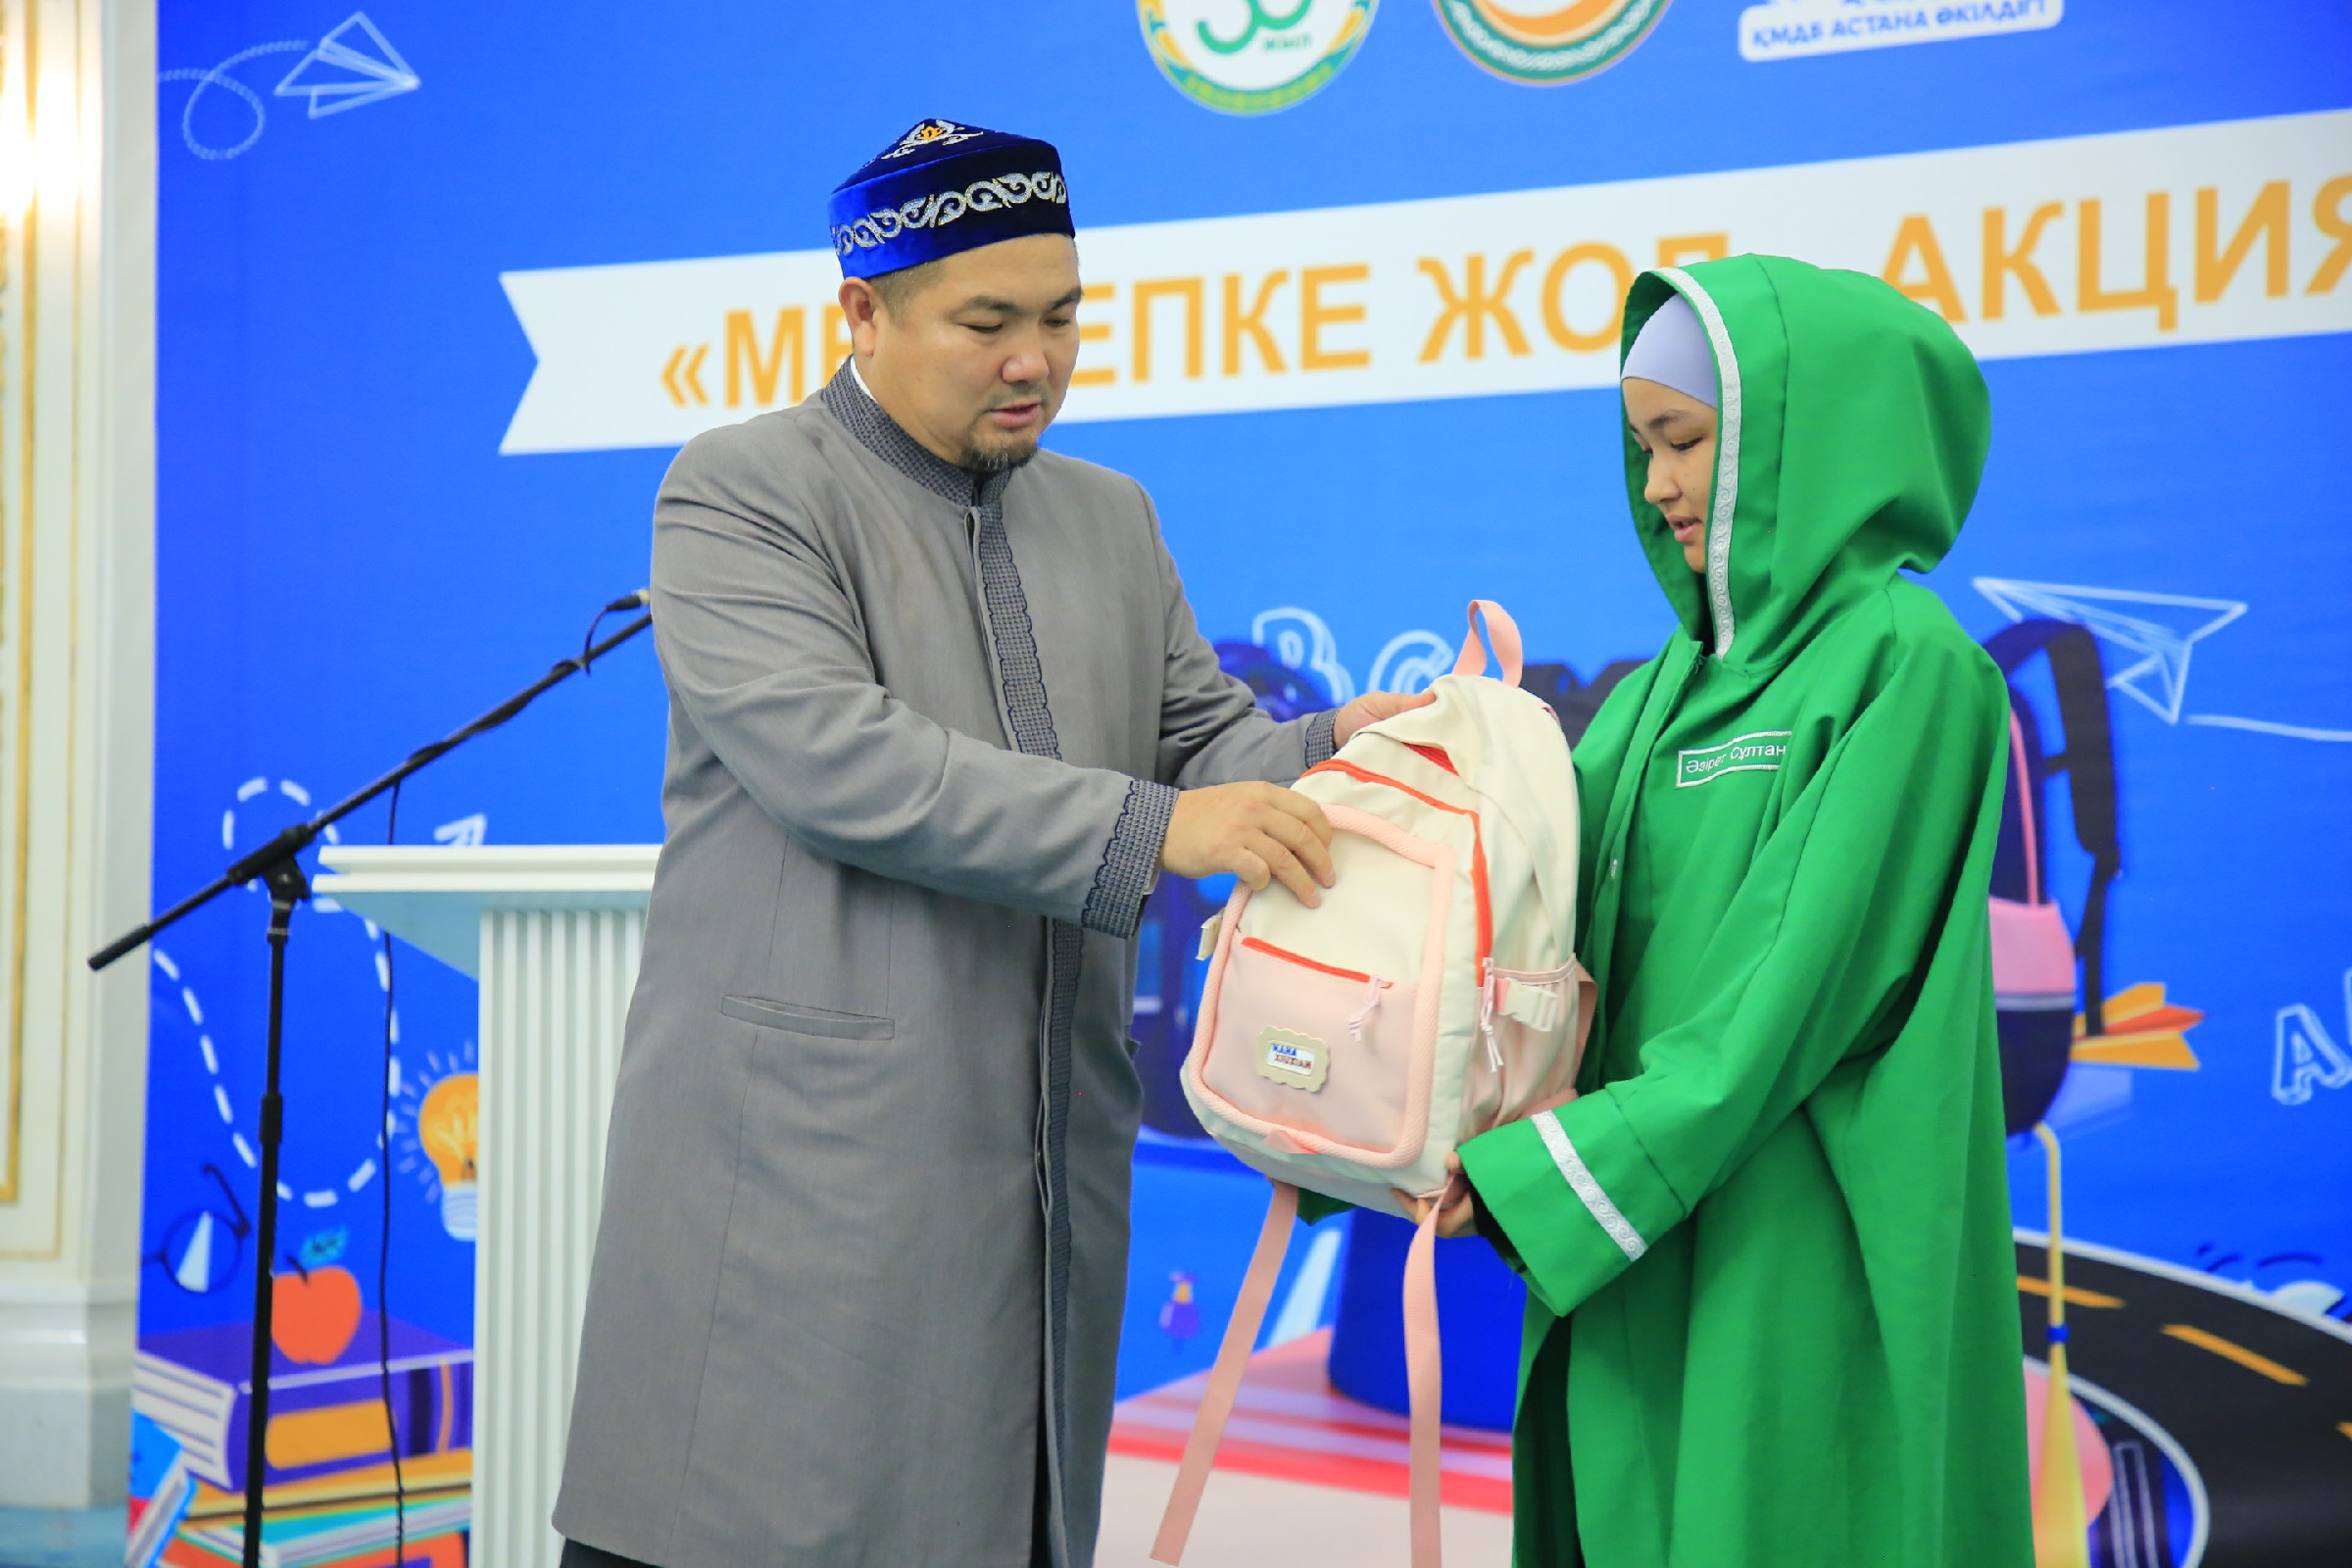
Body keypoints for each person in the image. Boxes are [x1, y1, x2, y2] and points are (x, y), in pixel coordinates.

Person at [553, 120, 1424, 1568]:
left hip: (1041, 1158)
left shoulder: (1110, 517)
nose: (1036, 361)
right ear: (863, 313)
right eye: (987, 323)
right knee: (760, 1513)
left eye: (1063, 318)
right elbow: (842, 762)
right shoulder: (743, 488)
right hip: (812, 1170)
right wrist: (1161, 827)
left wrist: (1343, 747)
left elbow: (1204, 743)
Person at [1407, 256, 2034, 1565]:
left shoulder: (1910, 668)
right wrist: (1383, 1099)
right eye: (1641, 448)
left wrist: (1530, 1178)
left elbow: (1781, 998)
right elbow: (1522, 926)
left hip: (1793, 1242)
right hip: (1628, 1246)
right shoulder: (1655, 693)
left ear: (1807, 435)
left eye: (1686, 441)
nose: (1657, 487)